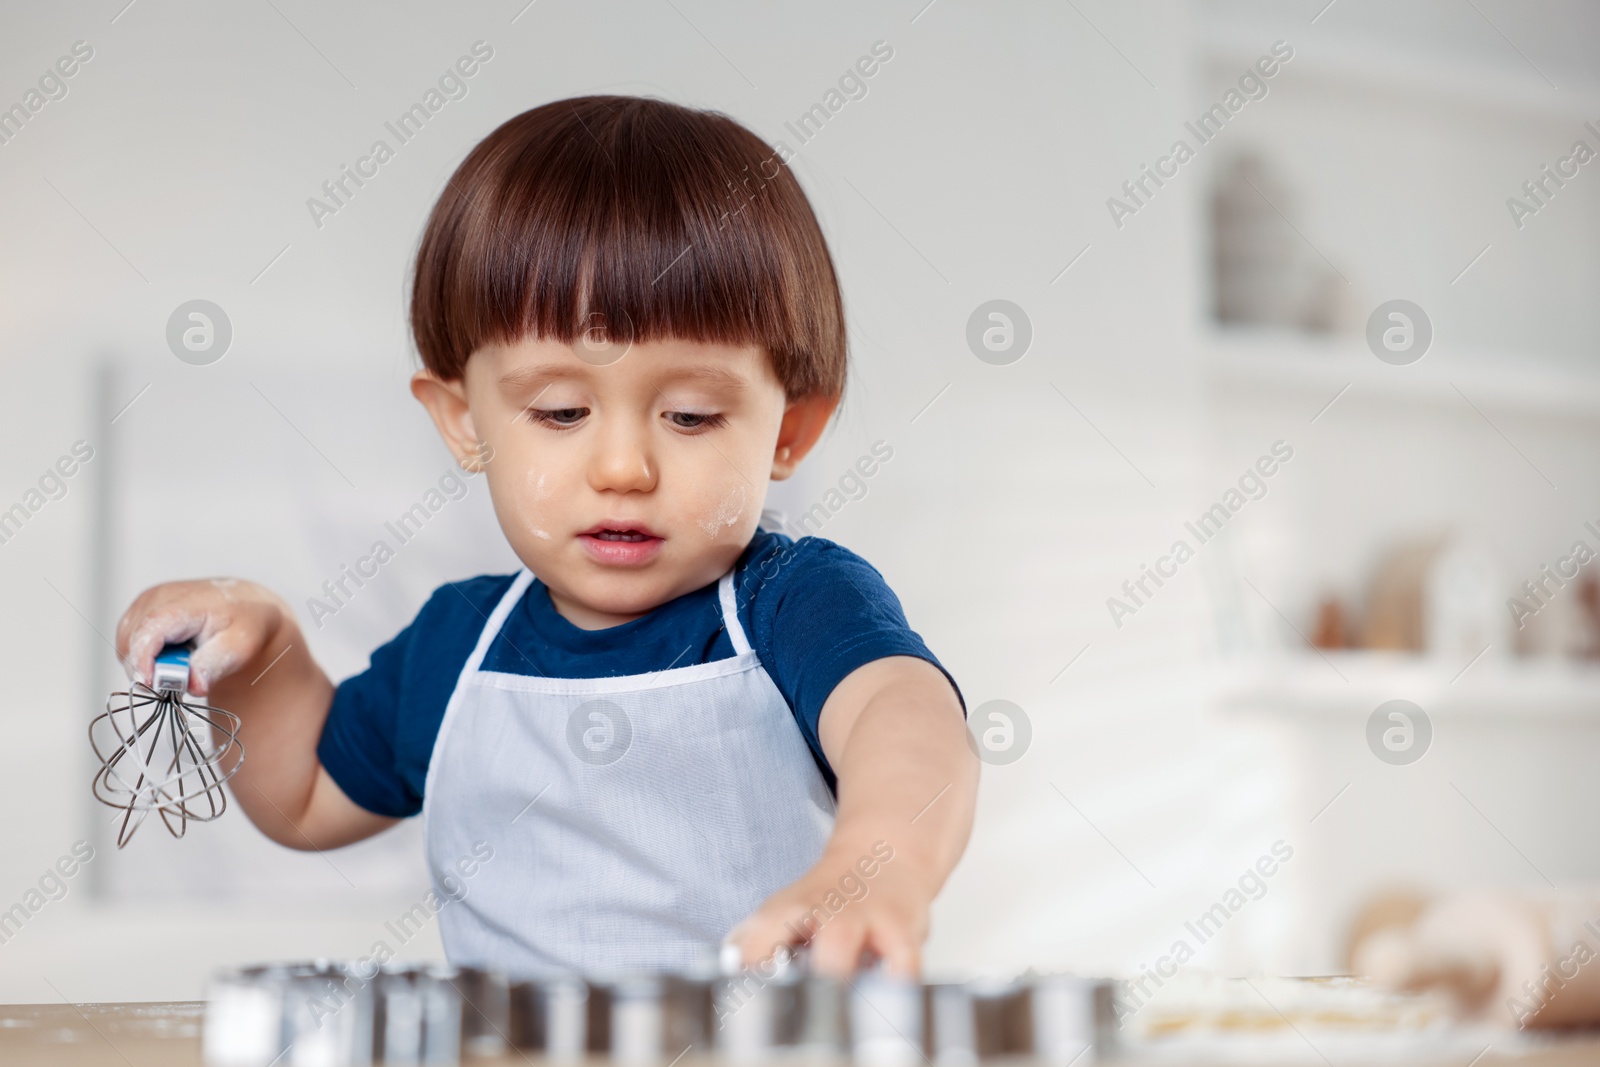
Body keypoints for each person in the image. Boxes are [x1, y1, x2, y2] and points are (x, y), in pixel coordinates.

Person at [115, 96, 976, 980]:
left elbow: (903, 719)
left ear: (788, 430)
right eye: (561, 410)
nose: (623, 467)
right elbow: (303, 798)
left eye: (690, 414)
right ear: (462, 421)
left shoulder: (790, 605)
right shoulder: (459, 647)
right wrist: (265, 649)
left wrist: (877, 863)